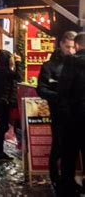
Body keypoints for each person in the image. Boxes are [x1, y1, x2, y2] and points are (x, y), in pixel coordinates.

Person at [37, 31, 76, 190]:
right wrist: (59, 97)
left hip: (75, 114)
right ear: (60, 45)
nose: (71, 50)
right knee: (58, 146)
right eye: (67, 47)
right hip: (59, 113)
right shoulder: (49, 66)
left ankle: (69, 180)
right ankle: (55, 179)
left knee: (72, 148)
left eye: (73, 47)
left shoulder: (76, 64)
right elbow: (41, 89)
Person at [58, 32, 85, 196]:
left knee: (69, 156)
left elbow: (63, 92)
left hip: (74, 118)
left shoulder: (70, 61)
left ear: (76, 46)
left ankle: (67, 189)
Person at [0, 50, 22, 162]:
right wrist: (18, 62)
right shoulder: (4, 70)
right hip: (1, 103)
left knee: (3, 127)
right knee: (3, 127)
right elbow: (18, 77)